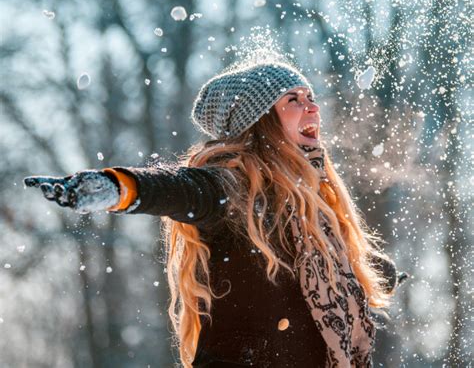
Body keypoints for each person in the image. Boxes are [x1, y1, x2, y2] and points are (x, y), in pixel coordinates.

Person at [25, 59, 406, 368]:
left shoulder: (314, 207)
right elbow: (178, 188)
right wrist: (118, 188)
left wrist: (373, 274)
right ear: (261, 121)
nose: (312, 106)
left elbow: (325, 268)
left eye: (310, 96)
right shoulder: (233, 187)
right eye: (292, 99)